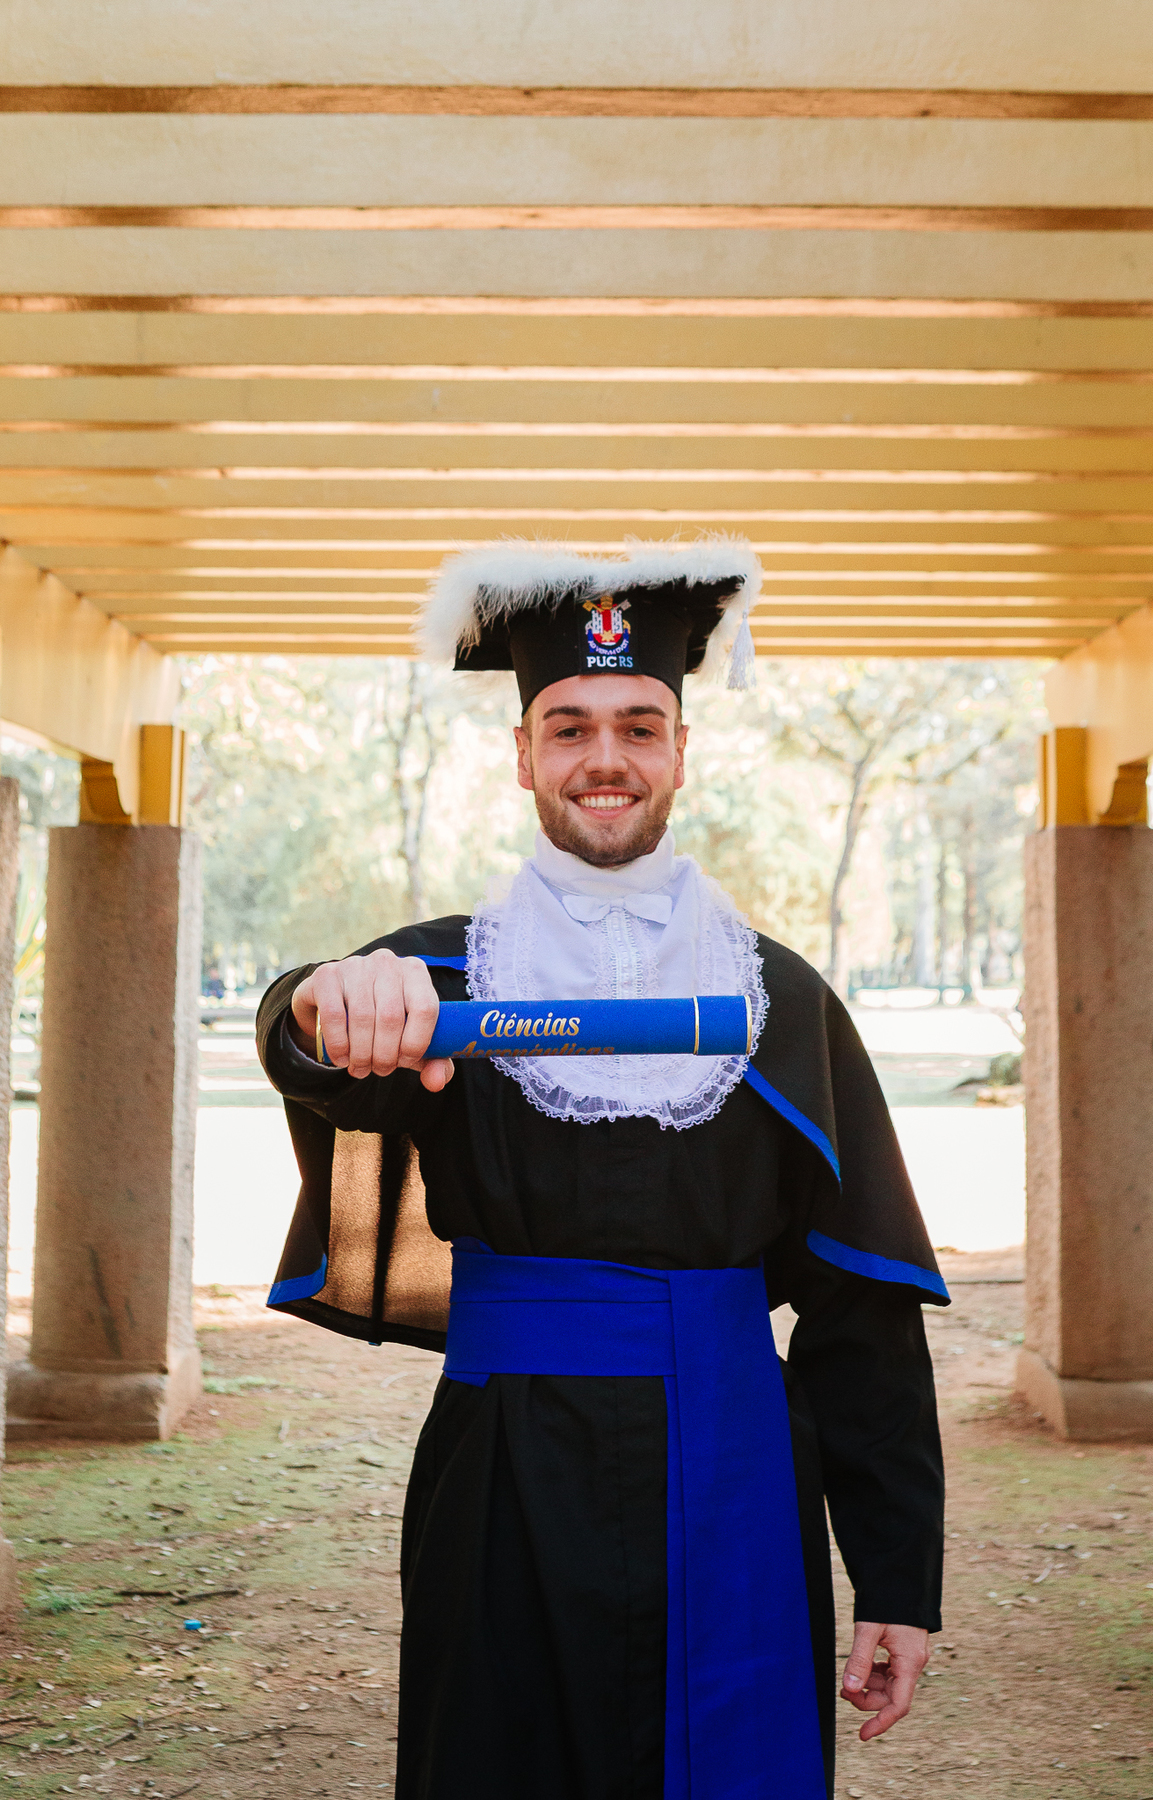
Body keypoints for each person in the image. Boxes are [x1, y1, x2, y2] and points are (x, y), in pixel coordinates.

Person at [257, 537, 945, 1800]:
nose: (606, 757)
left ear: (682, 749)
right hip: (503, 1469)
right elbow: (313, 1043)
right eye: (569, 727)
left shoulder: (780, 1000)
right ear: (523, 754)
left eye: (640, 724)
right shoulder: (438, 984)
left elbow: (862, 1310)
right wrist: (317, 1002)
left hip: (735, 1457)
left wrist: (898, 1577)